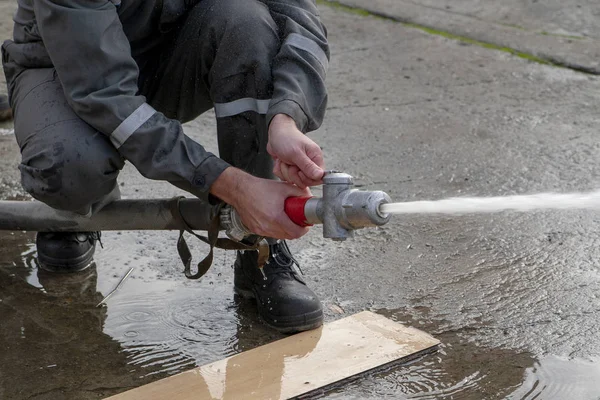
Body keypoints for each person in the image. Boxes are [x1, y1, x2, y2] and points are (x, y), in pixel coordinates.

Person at [2, 0, 329, 333]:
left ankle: (258, 245)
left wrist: (284, 117)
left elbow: (299, 21)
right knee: (69, 167)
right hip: (66, 64)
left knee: (248, 23)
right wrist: (233, 187)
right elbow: (102, 93)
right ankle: (81, 208)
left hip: (168, 51)